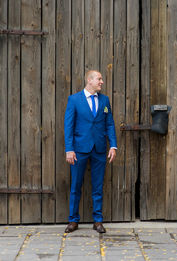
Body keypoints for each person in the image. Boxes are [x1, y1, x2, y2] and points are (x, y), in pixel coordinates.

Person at [64, 70, 117, 234]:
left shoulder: (105, 101)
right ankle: (73, 221)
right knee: (76, 185)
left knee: (98, 186)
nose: (101, 82)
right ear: (89, 80)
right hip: (79, 150)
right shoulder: (74, 100)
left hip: (99, 149)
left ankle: (98, 221)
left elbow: (109, 123)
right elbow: (68, 126)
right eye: (99, 79)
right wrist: (69, 149)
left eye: (101, 79)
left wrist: (113, 145)